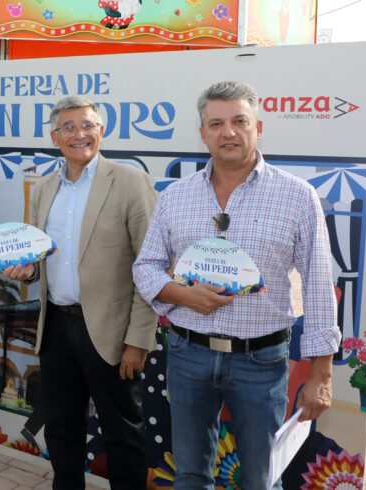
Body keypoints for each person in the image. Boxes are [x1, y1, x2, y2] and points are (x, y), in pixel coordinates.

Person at [132, 80, 341, 489]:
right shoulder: (176, 196)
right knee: (189, 473)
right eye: (216, 124)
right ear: (203, 133)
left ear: (257, 128)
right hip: (187, 354)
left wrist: (322, 374)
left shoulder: (297, 196)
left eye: (239, 121)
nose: (228, 132)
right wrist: (182, 295)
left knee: (262, 478)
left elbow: (318, 284)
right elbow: (146, 268)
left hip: (260, 361)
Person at [2, 96, 159, 489]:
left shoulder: (130, 182)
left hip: (112, 331)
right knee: (61, 428)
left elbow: (152, 265)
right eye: (68, 127)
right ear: (55, 137)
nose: (79, 134)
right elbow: (37, 259)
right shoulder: (44, 189)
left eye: (87, 125)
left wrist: (138, 340)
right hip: (56, 327)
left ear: (101, 131)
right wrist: (27, 270)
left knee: (123, 433)